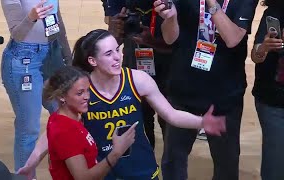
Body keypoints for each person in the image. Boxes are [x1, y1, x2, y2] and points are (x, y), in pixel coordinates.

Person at [18, 29, 226, 180]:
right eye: (109, 54)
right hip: (103, 171)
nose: (117, 57)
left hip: (140, 168)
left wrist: (201, 121)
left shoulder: (138, 80)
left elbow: (170, 115)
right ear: (92, 61)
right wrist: (34, 159)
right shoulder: (82, 89)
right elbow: (59, 127)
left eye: (117, 50)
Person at [154, 0, 258, 179]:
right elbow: (170, 38)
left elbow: (232, 38)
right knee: (173, 161)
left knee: (226, 164)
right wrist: (170, 19)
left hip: (225, 95)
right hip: (183, 90)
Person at [0, 0, 72, 173]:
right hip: (24, 59)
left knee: (66, 117)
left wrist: (68, 59)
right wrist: (31, 17)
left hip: (52, 55)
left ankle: (66, 172)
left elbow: (57, 21)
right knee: (29, 128)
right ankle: (24, 177)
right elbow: (17, 33)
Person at [43, 66, 137, 180]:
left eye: (88, 90)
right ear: (62, 96)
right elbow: (83, 178)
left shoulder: (61, 118)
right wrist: (116, 152)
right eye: (80, 93)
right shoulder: (65, 130)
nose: (87, 97)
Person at [101, 0, 171, 149]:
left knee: (168, 118)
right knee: (139, 116)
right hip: (134, 52)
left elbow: (178, 43)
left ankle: (169, 162)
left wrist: (154, 42)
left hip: (166, 57)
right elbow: (114, 34)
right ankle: (146, 164)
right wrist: (115, 32)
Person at [251, 0, 284, 179]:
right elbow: (256, 56)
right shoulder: (275, 12)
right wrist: (264, 48)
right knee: (275, 166)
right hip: (274, 102)